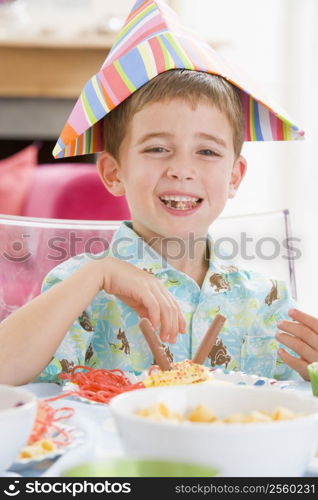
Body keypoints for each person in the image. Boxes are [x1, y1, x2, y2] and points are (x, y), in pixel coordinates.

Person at [0, 1, 316, 386]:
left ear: (235, 176)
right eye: (157, 148)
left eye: (207, 151)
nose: (181, 169)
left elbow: (294, 408)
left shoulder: (268, 301)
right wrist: (97, 274)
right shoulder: (78, 285)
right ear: (114, 173)